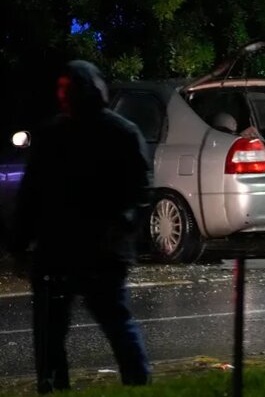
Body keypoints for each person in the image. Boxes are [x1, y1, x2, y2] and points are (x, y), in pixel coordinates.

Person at [9, 60, 152, 393]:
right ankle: (132, 382)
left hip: (86, 249)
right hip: (74, 249)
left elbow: (138, 193)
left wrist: (20, 242)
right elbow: (33, 193)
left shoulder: (110, 133)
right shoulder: (96, 133)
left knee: (85, 326)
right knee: (72, 328)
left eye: (69, 90)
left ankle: (128, 382)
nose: (65, 97)